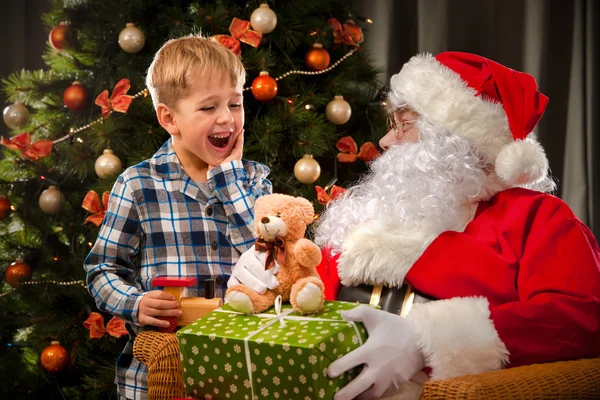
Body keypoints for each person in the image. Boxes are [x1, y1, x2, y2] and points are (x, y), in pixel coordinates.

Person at [313, 51, 600, 399]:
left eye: (405, 124)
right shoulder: (373, 212)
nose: (386, 142)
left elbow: (578, 321)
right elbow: (311, 295)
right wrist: (270, 281)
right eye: (393, 125)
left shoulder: (537, 218)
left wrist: (426, 340)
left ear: (452, 141)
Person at [83, 36, 273, 400]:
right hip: (161, 376)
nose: (226, 118)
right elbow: (102, 270)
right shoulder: (138, 184)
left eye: (235, 103)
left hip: (243, 374)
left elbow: (269, 257)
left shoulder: (252, 181)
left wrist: (229, 179)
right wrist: (135, 303)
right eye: (208, 108)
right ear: (170, 118)